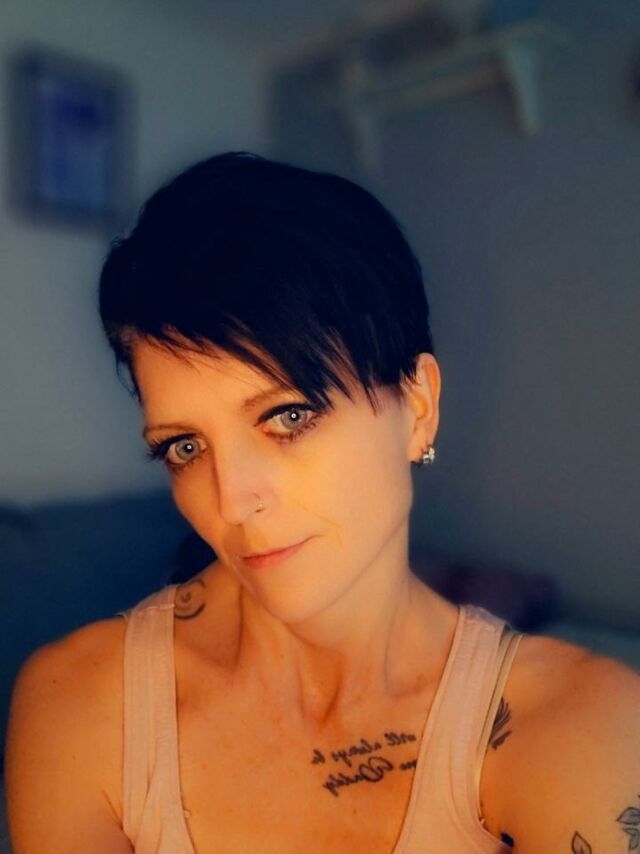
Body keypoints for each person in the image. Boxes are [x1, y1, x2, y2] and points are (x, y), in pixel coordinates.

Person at [5, 152, 639, 854]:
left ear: (418, 409)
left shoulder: (582, 726)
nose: (232, 500)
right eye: (185, 446)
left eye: (288, 416)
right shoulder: (82, 707)